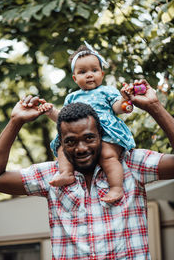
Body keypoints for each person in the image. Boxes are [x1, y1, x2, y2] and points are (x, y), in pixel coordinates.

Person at [0, 79, 174, 260]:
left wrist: (154, 107)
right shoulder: (52, 176)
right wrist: (15, 121)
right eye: (70, 141)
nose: (81, 148)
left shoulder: (131, 164)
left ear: (101, 135)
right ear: (60, 143)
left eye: (89, 138)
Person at [37, 42, 136, 203]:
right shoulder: (72, 97)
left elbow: (117, 106)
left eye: (94, 70)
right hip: (78, 134)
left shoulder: (107, 91)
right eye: (83, 72)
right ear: (75, 78)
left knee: (108, 156)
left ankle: (116, 188)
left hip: (106, 132)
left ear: (102, 74)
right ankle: (66, 173)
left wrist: (125, 102)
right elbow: (64, 120)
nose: (89, 75)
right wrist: (51, 112)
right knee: (62, 148)